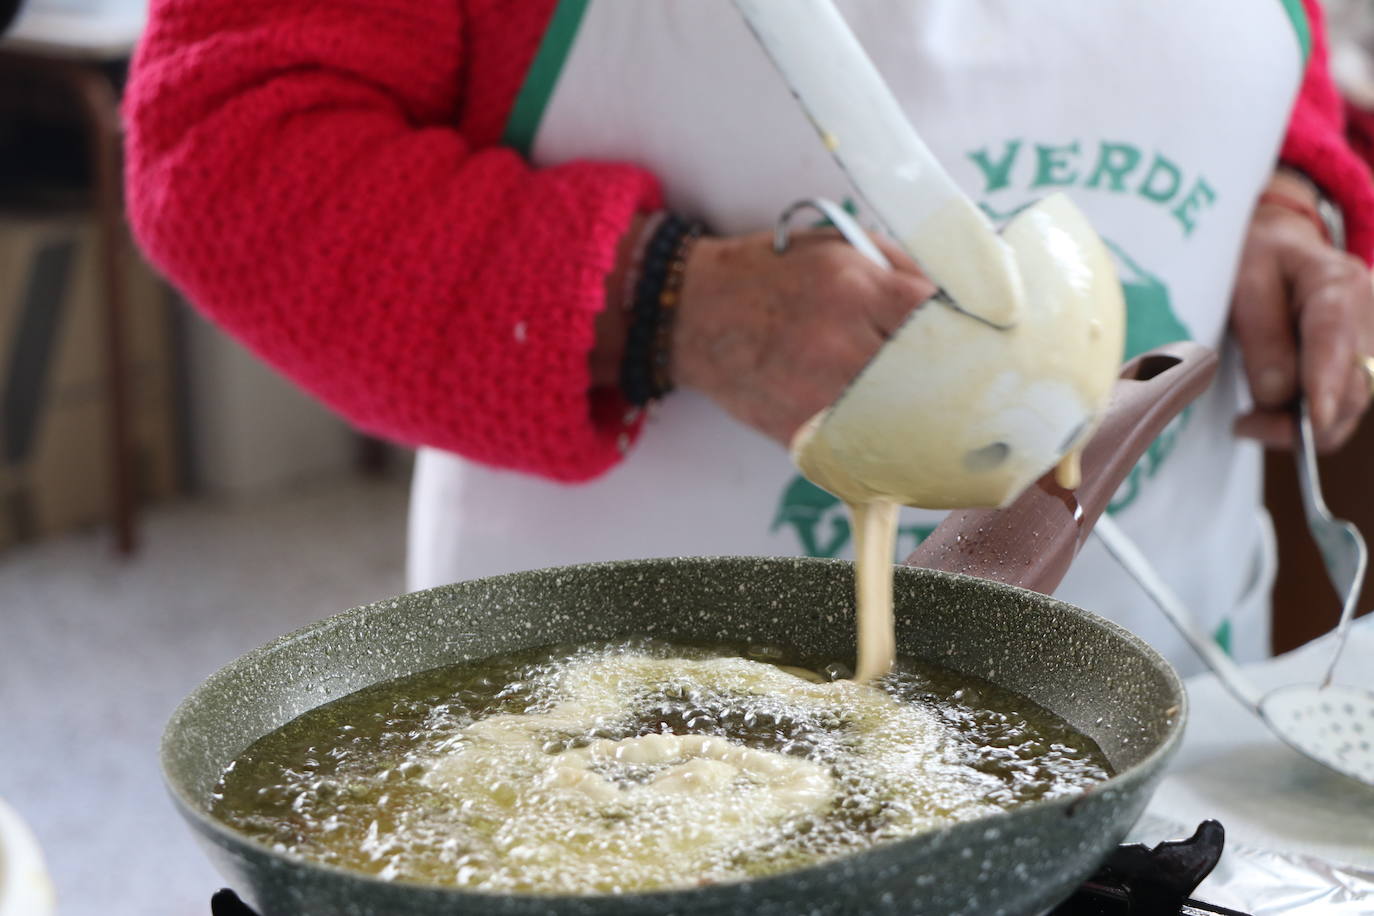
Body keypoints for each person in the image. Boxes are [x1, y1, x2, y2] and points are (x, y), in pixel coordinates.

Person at [124, 0, 1374, 676]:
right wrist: (670, 300)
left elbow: (1267, 70)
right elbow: (221, 142)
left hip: (1166, 672)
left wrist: (1282, 213)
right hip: (628, 721)